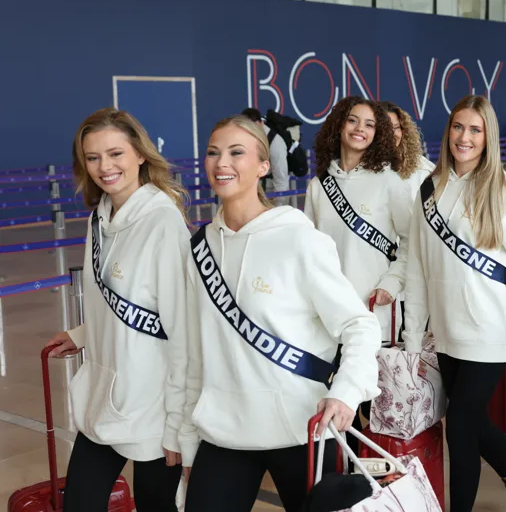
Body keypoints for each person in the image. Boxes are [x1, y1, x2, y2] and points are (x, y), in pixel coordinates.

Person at [180, 115, 381, 512]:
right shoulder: (199, 247)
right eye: (213, 153)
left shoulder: (299, 239)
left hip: (300, 429)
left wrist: (345, 392)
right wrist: (187, 439)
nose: (222, 163)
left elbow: (359, 325)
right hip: (224, 432)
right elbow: (192, 352)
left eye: (237, 152)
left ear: (263, 165)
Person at [402, 95, 506, 512]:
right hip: (446, 330)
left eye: (475, 130)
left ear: (488, 136)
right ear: (448, 131)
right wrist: (413, 338)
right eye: (459, 127)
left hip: (488, 329)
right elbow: (416, 269)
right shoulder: (427, 189)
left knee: (459, 426)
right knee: (470, 421)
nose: (465, 137)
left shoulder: (502, 192)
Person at [45, 108, 190, 511]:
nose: (104, 167)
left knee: (155, 505)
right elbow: (116, 298)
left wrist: (179, 420)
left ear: (140, 154)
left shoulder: (163, 221)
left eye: (115, 154)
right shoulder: (99, 217)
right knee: (80, 502)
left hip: (154, 402)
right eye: (93, 158)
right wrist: (81, 335)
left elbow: (181, 324)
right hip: (104, 394)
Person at [304, 96, 414, 342]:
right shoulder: (318, 186)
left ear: (378, 133)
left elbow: (412, 242)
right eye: (352, 120)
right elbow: (307, 250)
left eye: (369, 124)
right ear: (339, 125)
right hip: (326, 314)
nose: (359, 129)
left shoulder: (390, 182)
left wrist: (391, 283)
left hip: (373, 311)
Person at [380, 100, 437, 198]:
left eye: (396, 127)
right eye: (385, 128)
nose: (392, 134)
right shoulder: (358, 168)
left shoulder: (422, 169)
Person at [241, 107, 289, 205]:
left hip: (270, 195)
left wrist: (279, 211)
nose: (252, 132)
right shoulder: (249, 138)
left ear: (261, 122)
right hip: (254, 194)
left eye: (253, 128)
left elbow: (281, 180)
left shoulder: (275, 143)